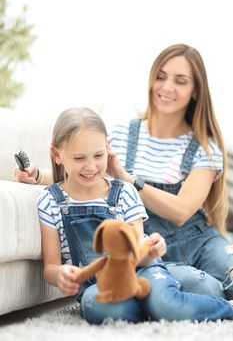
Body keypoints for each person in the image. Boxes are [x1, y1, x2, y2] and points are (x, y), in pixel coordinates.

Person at [14, 44, 232, 299]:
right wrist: (37, 176)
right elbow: (86, 174)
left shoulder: (205, 147)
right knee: (192, 289)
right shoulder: (121, 133)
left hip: (200, 243)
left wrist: (128, 179)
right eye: (160, 77)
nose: (167, 87)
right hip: (149, 249)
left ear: (196, 90)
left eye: (180, 81)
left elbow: (181, 211)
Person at [36, 106, 233, 324]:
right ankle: (157, 305)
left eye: (98, 155)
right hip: (98, 285)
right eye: (80, 158)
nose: (90, 166)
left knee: (166, 303)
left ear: (108, 148)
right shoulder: (50, 201)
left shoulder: (124, 192)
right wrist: (60, 275)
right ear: (57, 155)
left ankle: (223, 308)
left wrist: (152, 250)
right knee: (99, 308)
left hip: (143, 271)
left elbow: (138, 252)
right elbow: (50, 268)